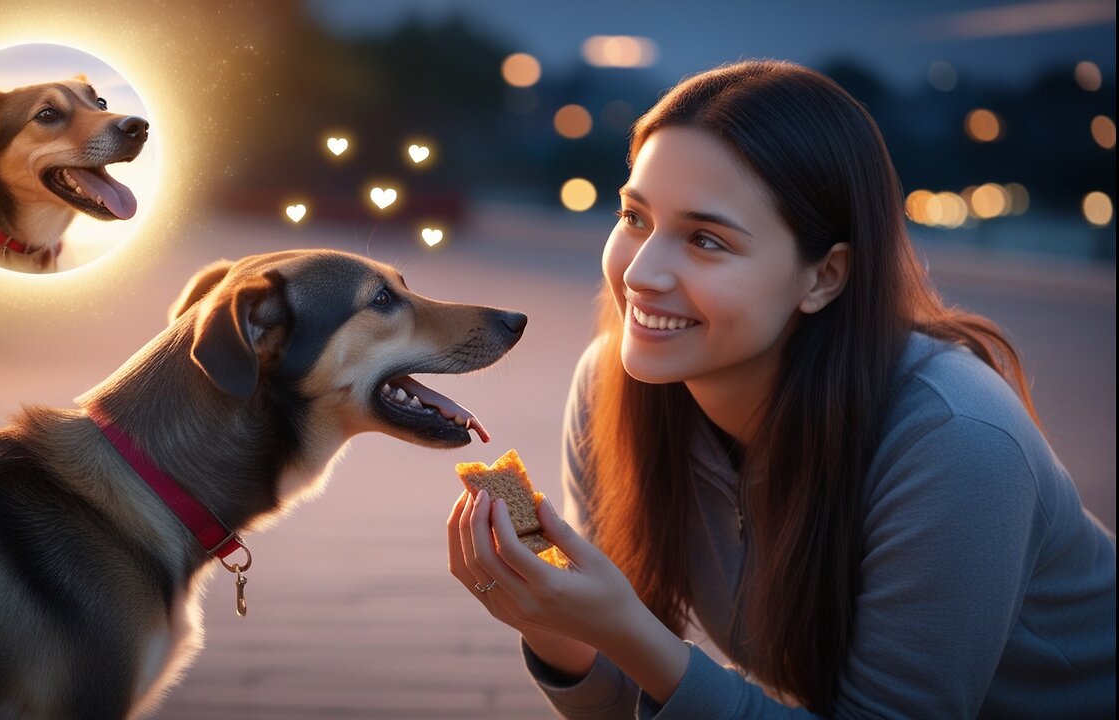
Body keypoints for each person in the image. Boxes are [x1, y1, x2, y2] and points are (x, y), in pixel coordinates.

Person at [446, 60, 1116, 718]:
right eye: (635, 216)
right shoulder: (612, 385)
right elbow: (624, 703)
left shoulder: (959, 442)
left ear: (824, 276)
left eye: (706, 240)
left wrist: (629, 633)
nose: (642, 274)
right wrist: (557, 629)